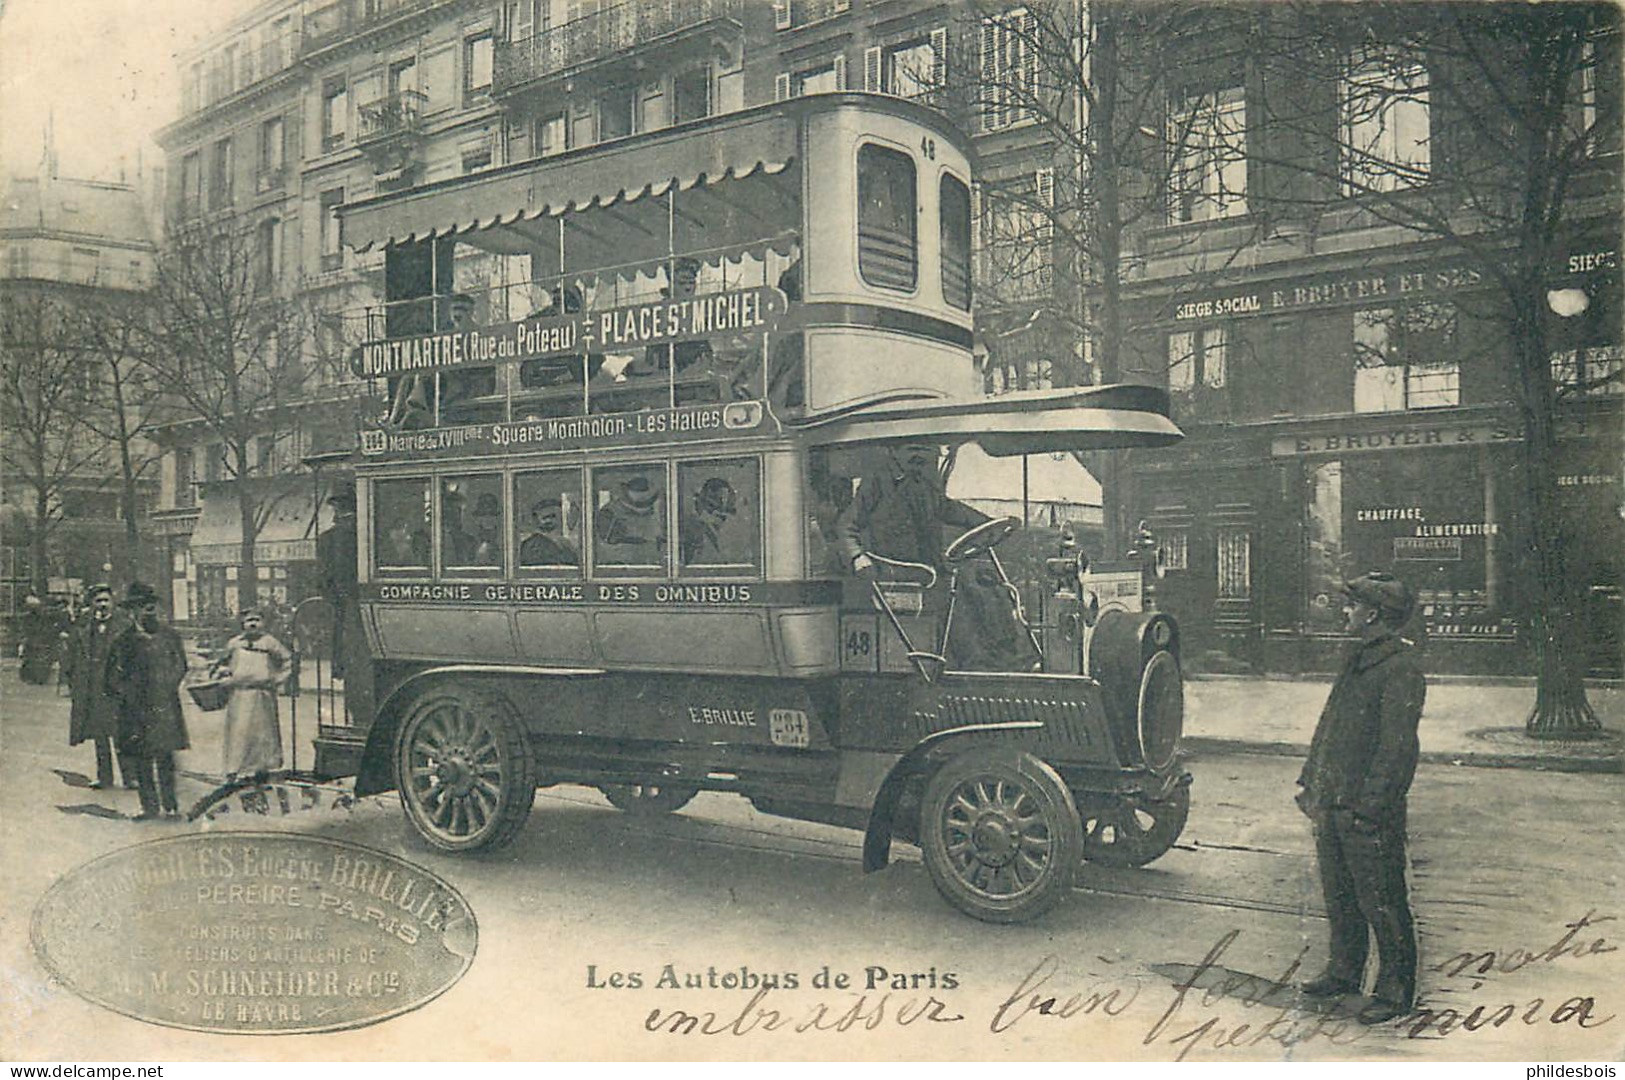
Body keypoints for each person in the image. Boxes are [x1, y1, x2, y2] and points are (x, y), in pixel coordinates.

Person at [1295, 570, 1426, 1025]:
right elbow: (1329, 729)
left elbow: (1397, 750)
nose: (1345, 611)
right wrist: (1311, 781)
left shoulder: (1400, 668)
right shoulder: (1357, 658)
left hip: (1367, 812)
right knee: (1341, 896)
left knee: (1382, 900)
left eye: (1352, 606)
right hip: (1334, 802)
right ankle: (1344, 971)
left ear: (1373, 615)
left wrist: (1370, 810)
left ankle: (1395, 989)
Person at [104, 582, 191, 821]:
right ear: (132, 611)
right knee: (143, 759)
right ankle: (149, 808)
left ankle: (171, 806)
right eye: (142, 605)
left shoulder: (170, 635)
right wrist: (130, 697)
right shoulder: (124, 641)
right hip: (136, 709)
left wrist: (167, 685)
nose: (148, 609)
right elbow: (112, 679)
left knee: (166, 758)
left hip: (165, 705)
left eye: (151, 604)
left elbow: (181, 665)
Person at [64, 583, 134, 790]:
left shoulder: (124, 625)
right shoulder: (84, 626)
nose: (102, 605)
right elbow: (72, 655)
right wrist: (74, 681)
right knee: (100, 735)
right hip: (93, 687)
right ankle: (105, 778)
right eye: (98, 601)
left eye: (106, 600)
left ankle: (130, 778)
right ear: (92, 604)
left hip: (117, 687)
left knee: (122, 733)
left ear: (112, 603)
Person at [214, 608, 291, 783]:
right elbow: (222, 663)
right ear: (243, 623)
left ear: (263, 623)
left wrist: (278, 679)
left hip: (262, 694)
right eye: (249, 620)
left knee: (263, 733)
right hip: (239, 695)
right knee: (239, 732)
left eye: (257, 620)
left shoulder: (270, 642)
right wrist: (224, 674)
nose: (253, 624)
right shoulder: (234, 643)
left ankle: (263, 769)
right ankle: (235, 769)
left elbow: (288, 660)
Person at [679, 477, 738, 566]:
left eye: (725, 501)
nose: (718, 506)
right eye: (713, 500)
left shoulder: (732, 526)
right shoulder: (691, 524)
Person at [518, 496, 580, 569]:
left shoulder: (565, 544)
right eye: (545, 517)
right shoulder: (529, 545)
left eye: (553, 516)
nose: (549, 521)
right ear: (536, 519)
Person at [18, 593, 58, 684]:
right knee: (32, 660)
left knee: (38, 660)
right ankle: (34, 677)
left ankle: (38, 678)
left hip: (39, 640)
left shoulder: (43, 616)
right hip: (34, 640)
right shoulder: (28, 617)